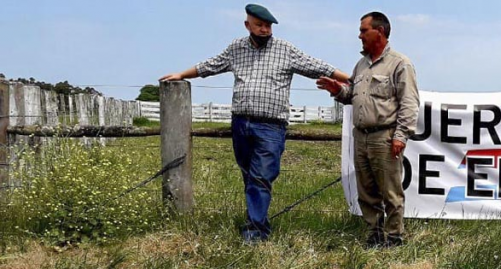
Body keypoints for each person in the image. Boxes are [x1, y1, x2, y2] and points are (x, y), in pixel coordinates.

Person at [160, 4, 350, 243]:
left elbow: (320, 67)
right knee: (249, 175)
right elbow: (210, 65)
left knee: (261, 177)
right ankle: (256, 220)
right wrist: (181, 75)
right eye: (259, 25)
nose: (264, 29)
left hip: (271, 125)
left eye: (268, 25)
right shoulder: (236, 48)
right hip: (241, 123)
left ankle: (255, 232)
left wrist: (352, 79)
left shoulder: (285, 50)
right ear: (247, 25)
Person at [316, 11, 419, 248]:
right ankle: (374, 236)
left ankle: (393, 238)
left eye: (364, 30)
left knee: (391, 192)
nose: (359, 35)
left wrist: (400, 136)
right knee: (366, 192)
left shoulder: (400, 64)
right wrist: (337, 90)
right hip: (360, 136)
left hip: (385, 136)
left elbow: (409, 103)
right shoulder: (361, 65)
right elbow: (351, 96)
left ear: (379, 32)